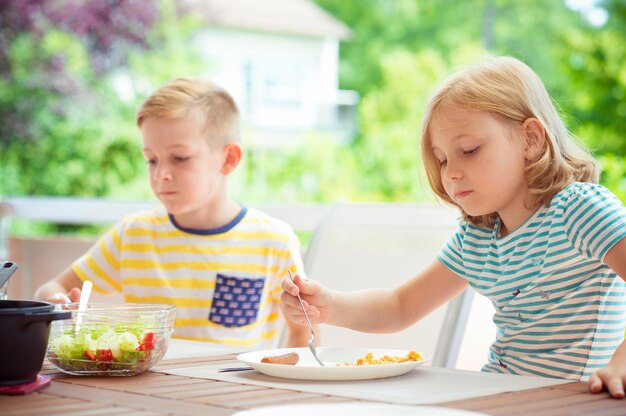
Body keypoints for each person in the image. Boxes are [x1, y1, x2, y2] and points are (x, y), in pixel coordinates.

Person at [281, 56, 626, 398]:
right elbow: (399, 306)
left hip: (571, 403)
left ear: (530, 139)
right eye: (442, 159)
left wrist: (621, 364)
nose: (450, 173)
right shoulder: (476, 237)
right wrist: (329, 307)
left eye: (469, 150)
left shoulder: (580, 209)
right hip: (499, 396)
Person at [35, 77, 310, 349]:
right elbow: (50, 289)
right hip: (147, 392)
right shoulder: (132, 235)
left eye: (179, 158)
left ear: (228, 159)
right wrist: (60, 303)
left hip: (239, 392)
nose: (160, 174)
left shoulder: (274, 241)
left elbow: (305, 330)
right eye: (151, 159)